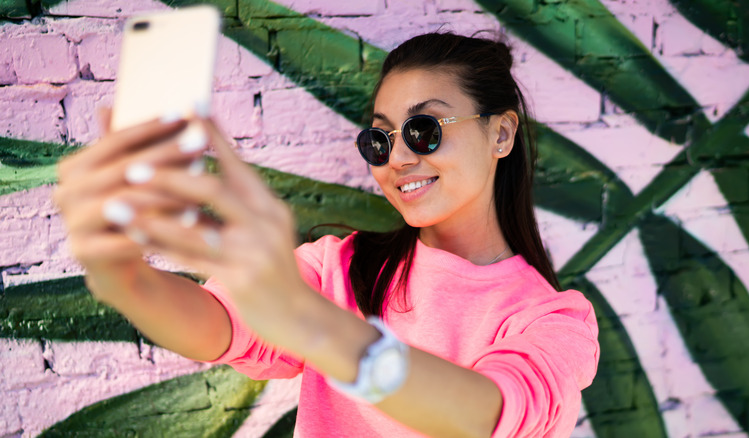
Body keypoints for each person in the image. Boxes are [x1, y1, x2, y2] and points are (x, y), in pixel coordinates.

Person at [54, 32, 599, 437]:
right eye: (380, 141)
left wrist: (308, 324)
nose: (399, 159)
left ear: (501, 132)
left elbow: (486, 414)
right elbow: (216, 325)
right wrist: (121, 274)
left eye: (424, 131)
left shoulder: (554, 321)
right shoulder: (338, 267)